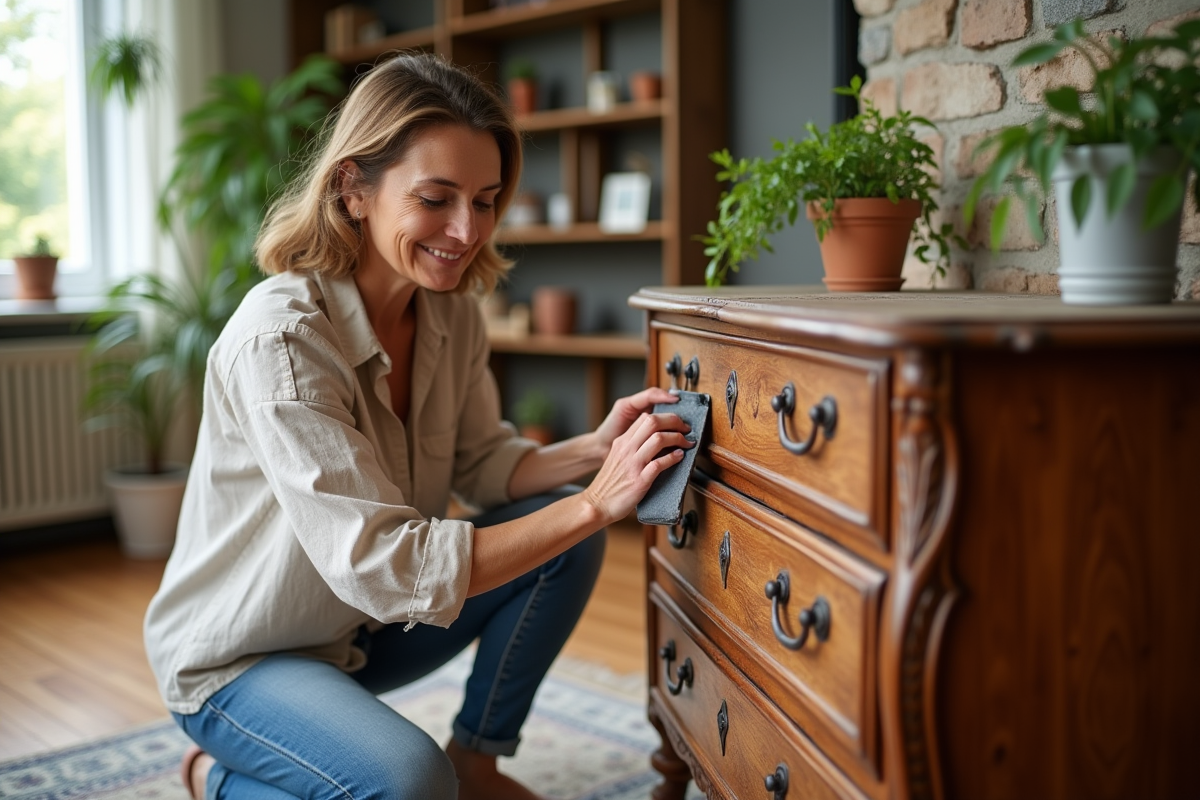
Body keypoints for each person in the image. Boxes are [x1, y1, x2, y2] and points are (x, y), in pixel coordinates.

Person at [143, 52, 691, 800]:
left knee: (565, 543)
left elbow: (484, 463)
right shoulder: (282, 341)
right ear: (353, 188)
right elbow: (386, 566)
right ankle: (216, 777)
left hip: (360, 632)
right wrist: (597, 502)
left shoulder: (451, 314)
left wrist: (595, 452)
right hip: (242, 660)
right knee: (411, 781)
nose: (466, 231)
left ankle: (479, 759)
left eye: (486, 201)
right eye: (436, 199)